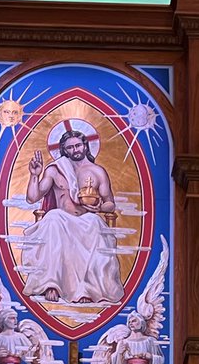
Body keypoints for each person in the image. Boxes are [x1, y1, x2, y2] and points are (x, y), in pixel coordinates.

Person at [19, 130, 124, 305]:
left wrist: (99, 207)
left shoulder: (98, 172)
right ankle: (51, 284)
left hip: (86, 219)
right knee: (53, 218)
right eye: (70, 147)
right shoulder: (55, 170)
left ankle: (87, 289)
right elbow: (32, 197)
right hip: (61, 218)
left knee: (95, 223)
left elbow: (110, 203)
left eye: (77, 145)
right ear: (64, 150)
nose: (75, 150)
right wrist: (35, 175)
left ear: (85, 146)